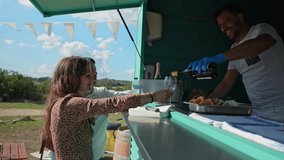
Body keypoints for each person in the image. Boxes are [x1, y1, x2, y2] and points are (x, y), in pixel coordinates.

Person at [42, 56, 172, 159]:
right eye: (87, 76)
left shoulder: (64, 102)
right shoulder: (69, 105)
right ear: (71, 78)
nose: (92, 80)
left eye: (94, 76)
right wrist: (152, 96)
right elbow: (114, 103)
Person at [187, 3, 284, 123]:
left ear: (240, 17)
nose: (223, 28)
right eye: (220, 26)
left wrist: (219, 58)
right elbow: (227, 82)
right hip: (258, 113)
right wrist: (206, 101)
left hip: (281, 109)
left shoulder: (261, 29)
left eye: (226, 22)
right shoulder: (234, 49)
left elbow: (263, 43)